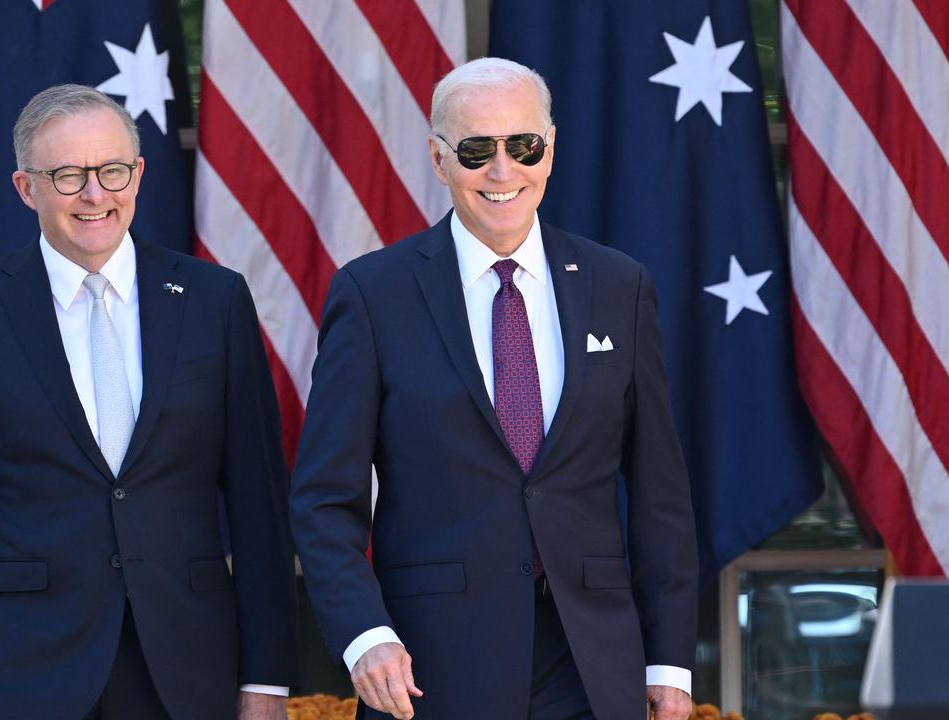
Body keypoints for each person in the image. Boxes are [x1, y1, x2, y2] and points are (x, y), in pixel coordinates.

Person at [290, 58, 699, 719]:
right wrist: (366, 637)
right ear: (438, 157)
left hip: (592, 663)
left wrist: (670, 661)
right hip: (432, 668)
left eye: (523, 146)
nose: (503, 172)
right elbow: (322, 500)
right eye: (477, 150)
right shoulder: (373, 295)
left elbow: (661, 497)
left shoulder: (619, 287)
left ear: (551, 150)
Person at [0, 84, 298, 720]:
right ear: (27, 188)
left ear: (137, 174)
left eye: (110, 171)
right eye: (68, 175)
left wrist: (267, 677)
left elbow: (258, 503)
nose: (95, 195)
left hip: (186, 666)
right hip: (25, 667)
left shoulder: (214, 302)